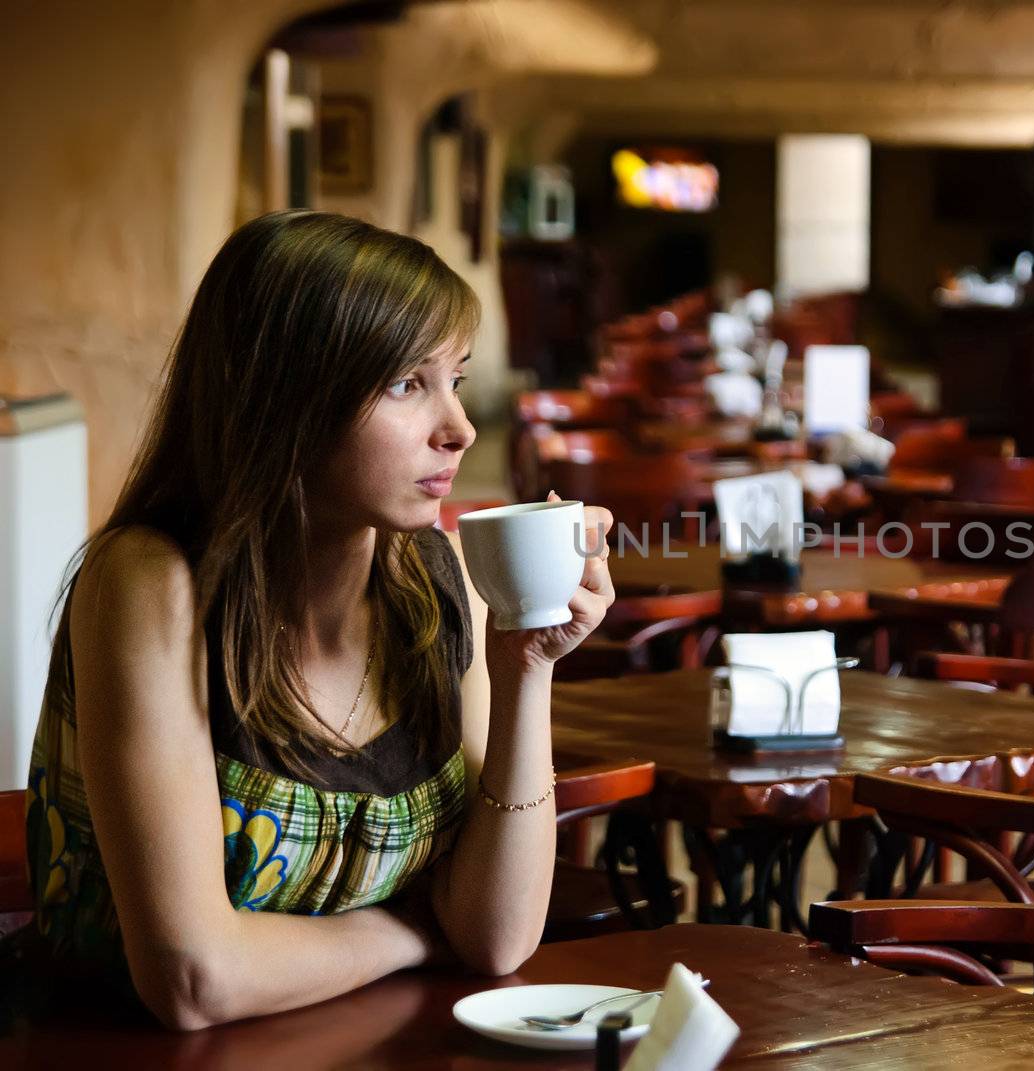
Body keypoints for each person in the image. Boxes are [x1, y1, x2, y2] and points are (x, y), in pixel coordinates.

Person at [11, 211, 614, 1030]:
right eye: (407, 384)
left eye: (456, 379)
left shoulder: (441, 583)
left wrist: (527, 669)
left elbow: (497, 937)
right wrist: (411, 928)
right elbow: (193, 979)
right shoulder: (152, 583)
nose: (460, 428)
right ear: (284, 398)